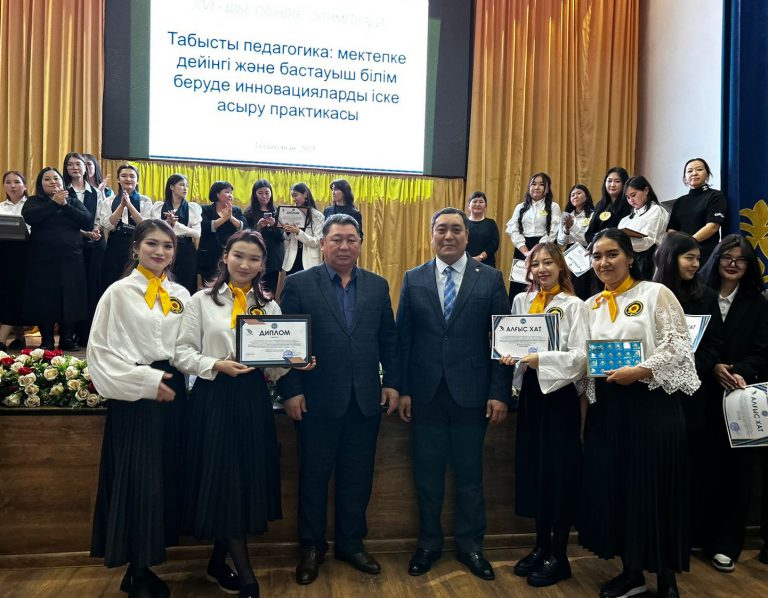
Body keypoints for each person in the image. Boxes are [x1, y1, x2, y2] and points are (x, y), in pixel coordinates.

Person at [276, 214, 399, 585]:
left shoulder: (377, 285)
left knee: (357, 477)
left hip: (364, 400)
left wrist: (392, 383)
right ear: (323, 243)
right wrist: (292, 389)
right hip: (316, 400)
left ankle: (351, 543)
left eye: (351, 239)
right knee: (314, 477)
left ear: (360, 243)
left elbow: (388, 339)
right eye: (337, 239)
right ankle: (311, 548)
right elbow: (286, 342)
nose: (344, 246)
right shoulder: (299, 284)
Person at [580, 228, 699, 598]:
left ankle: (666, 578)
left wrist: (642, 370)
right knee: (619, 490)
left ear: (630, 257)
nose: (603, 262)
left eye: (612, 254)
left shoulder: (654, 293)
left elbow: (678, 345)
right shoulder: (590, 305)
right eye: (597, 256)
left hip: (652, 405)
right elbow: (583, 358)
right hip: (608, 409)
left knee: (656, 490)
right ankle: (631, 572)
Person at [397, 207, 511, 581]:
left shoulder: (491, 278)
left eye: (456, 230)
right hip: (425, 395)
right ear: (431, 235)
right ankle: (428, 544)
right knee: (427, 477)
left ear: (467, 236)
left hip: (472, 395)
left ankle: (471, 545)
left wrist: (499, 392)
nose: (449, 236)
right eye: (442, 229)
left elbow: (501, 341)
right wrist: (405, 390)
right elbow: (404, 339)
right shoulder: (413, 278)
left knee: (469, 476)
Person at [175, 230, 291, 598]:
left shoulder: (269, 307)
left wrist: (295, 361)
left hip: (253, 399)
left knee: (242, 479)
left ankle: (217, 562)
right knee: (224, 478)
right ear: (225, 257)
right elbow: (182, 353)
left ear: (262, 265)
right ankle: (247, 575)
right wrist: (215, 364)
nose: (245, 264)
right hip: (214, 396)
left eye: (254, 259)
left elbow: (275, 366)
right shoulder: (201, 301)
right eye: (239, 255)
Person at [88, 219, 189, 598]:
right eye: (152, 244)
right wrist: (145, 382)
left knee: (164, 477)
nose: (160, 251)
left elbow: (191, 345)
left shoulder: (181, 294)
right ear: (135, 248)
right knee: (138, 481)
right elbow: (100, 353)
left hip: (174, 395)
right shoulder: (118, 293)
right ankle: (137, 569)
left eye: (167, 246)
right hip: (136, 396)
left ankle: (147, 563)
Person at [501, 242, 588, 587]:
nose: (541, 269)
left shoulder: (574, 305)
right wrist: (508, 355)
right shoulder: (521, 302)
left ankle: (559, 554)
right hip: (531, 396)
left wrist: (542, 360)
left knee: (558, 473)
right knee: (535, 469)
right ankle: (540, 546)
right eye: (535, 263)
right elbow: (511, 344)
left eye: (548, 262)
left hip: (560, 396)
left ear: (561, 267)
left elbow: (581, 357)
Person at [698, 234, 768, 573]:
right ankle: (698, 536)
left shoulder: (758, 303)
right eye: (727, 257)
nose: (733, 264)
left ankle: (727, 544)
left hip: (741, 396)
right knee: (702, 467)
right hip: (701, 393)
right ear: (716, 259)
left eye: (740, 259)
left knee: (737, 475)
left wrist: (737, 370)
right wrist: (713, 366)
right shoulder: (699, 295)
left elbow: (763, 351)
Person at [653, 232, 723, 551]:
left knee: (691, 468)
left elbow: (713, 345)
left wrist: (686, 366)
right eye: (689, 257)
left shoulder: (706, 296)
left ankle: (685, 538)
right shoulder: (649, 294)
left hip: (692, 394)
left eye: (698, 258)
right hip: (654, 391)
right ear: (671, 258)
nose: (696, 264)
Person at [22, 167, 91, 351]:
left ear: (62, 182)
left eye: (56, 178)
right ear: (40, 184)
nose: (53, 182)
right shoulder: (34, 201)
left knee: (70, 298)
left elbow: (87, 220)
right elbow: (30, 217)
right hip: (42, 261)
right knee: (45, 299)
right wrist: (54, 203)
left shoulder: (73, 201)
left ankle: (67, 338)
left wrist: (65, 205)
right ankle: (47, 340)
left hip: (71, 260)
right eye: (47, 179)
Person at [63, 152, 105, 346]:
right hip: (70, 245)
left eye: (78, 164)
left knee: (91, 289)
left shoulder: (95, 192)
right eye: (70, 165)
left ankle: (87, 334)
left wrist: (95, 230)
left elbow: (99, 216)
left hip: (93, 247)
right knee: (73, 289)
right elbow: (63, 220)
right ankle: (68, 334)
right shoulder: (63, 191)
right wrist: (83, 233)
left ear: (86, 168)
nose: (75, 168)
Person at [505, 173, 561, 300]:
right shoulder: (520, 207)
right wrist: (526, 252)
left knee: (543, 283)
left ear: (547, 188)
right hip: (523, 250)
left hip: (545, 248)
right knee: (520, 287)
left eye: (541, 184)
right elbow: (514, 231)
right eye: (533, 184)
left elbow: (552, 232)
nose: (536, 187)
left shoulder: (553, 206)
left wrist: (536, 252)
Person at [99, 164, 153, 292]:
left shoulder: (145, 201)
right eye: (124, 176)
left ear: (137, 181)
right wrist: (121, 206)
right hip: (115, 245)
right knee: (112, 281)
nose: (128, 179)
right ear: (118, 180)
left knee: (137, 282)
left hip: (137, 244)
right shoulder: (109, 201)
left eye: (132, 176)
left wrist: (129, 205)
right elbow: (108, 225)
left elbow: (146, 225)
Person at [667, 158, 727, 264]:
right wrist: (678, 245)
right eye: (689, 171)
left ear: (707, 175)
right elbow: (672, 229)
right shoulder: (680, 201)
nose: (694, 173)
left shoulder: (715, 196)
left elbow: (712, 227)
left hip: (705, 255)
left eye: (699, 169)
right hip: (681, 254)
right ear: (685, 178)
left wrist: (688, 244)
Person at [151, 174, 201, 296]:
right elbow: (152, 229)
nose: (185, 188)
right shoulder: (159, 206)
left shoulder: (192, 207)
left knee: (186, 283)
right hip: (163, 248)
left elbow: (197, 233)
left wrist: (177, 226)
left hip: (186, 249)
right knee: (163, 280)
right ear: (172, 187)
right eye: (182, 185)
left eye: (187, 186)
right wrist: (167, 223)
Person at [276, 182, 325, 299]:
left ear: (305, 194)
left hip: (309, 261)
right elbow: (287, 239)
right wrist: (287, 232)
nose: (294, 199)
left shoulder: (318, 216)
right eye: (292, 196)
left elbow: (316, 241)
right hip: (293, 259)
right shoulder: (291, 213)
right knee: (292, 294)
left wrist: (298, 232)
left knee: (308, 295)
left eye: (296, 195)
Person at [616, 175, 669, 280]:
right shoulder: (625, 220)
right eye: (628, 197)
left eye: (633, 195)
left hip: (648, 259)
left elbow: (648, 242)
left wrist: (624, 242)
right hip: (628, 259)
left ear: (646, 190)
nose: (631, 200)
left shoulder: (656, 210)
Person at [0, 171, 29, 351]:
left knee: (17, 295)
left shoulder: (31, 205)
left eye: (17, 182)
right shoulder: (1, 207)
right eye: (8, 182)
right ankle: (19, 337)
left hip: (25, 255)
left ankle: (2, 340)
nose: (12, 186)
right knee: (7, 294)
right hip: (4, 255)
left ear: (25, 186)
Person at [198, 180, 244, 284]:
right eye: (227, 192)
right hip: (210, 255)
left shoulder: (236, 210)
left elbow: (245, 228)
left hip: (230, 253)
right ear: (217, 194)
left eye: (231, 192)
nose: (230, 195)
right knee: (209, 285)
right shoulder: (206, 209)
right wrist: (223, 219)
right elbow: (204, 227)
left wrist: (231, 217)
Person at [244, 179, 284, 294]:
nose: (264, 196)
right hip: (255, 255)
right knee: (253, 290)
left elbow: (281, 238)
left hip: (273, 257)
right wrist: (258, 227)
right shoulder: (249, 213)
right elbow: (245, 236)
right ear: (255, 194)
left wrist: (275, 225)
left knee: (270, 292)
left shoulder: (277, 212)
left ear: (271, 193)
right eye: (260, 193)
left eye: (267, 193)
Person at [557, 183, 595, 299]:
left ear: (587, 196)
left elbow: (588, 239)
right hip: (569, 253)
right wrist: (566, 230)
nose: (575, 196)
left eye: (579, 193)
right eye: (572, 195)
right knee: (566, 285)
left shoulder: (592, 215)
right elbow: (561, 242)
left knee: (582, 287)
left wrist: (573, 226)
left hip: (585, 252)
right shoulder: (566, 216)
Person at [585, 167, 631, 243]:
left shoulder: (629, 204)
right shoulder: (600, 204)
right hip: (597, 245)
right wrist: (596, 242)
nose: (612, 185)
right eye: (609, 181)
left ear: (624, 184)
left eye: (617, 181)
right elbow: (590, 232)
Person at [466, 191, 500, 269]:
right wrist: (468, 259)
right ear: (469, 205)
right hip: (466, 263)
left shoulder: (491, 223)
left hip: (487, 264)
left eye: (481, 202)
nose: (478, 204)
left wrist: (480, 257)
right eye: (474, 201)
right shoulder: (463, 223)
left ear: (485, 206)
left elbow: (494, 244)